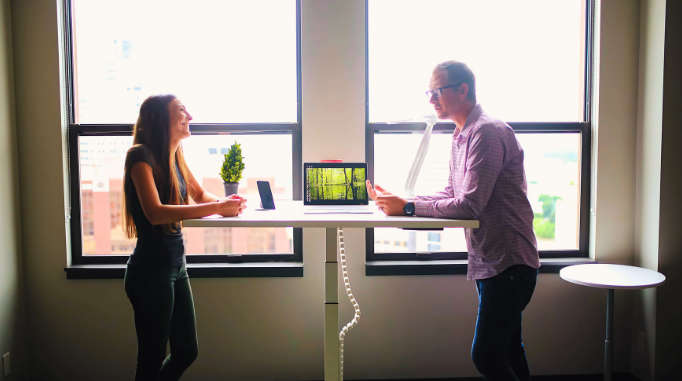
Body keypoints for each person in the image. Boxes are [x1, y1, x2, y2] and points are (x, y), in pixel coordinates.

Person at [367, 61, 540, 381]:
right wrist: (403, 202)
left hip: (509, 263)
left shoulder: (487, 132)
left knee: (487, 354)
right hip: (494, 261)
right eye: (428, 92)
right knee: (508, 348)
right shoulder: (462, 135)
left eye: (437, 91)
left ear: (462, 89)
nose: (431, 99)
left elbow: (470, 206)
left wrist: (407, 209)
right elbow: (451, 192)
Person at [122, 94, 247, 380]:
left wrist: (230, 204)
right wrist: (217, 207)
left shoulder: (176, 156)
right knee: (151, 359)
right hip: (150, 272)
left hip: (176, 268)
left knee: (186, 351)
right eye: (181, 110)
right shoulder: (140, 156)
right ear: (160, 120)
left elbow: (200, 195)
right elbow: (155, 212)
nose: (189, 115)